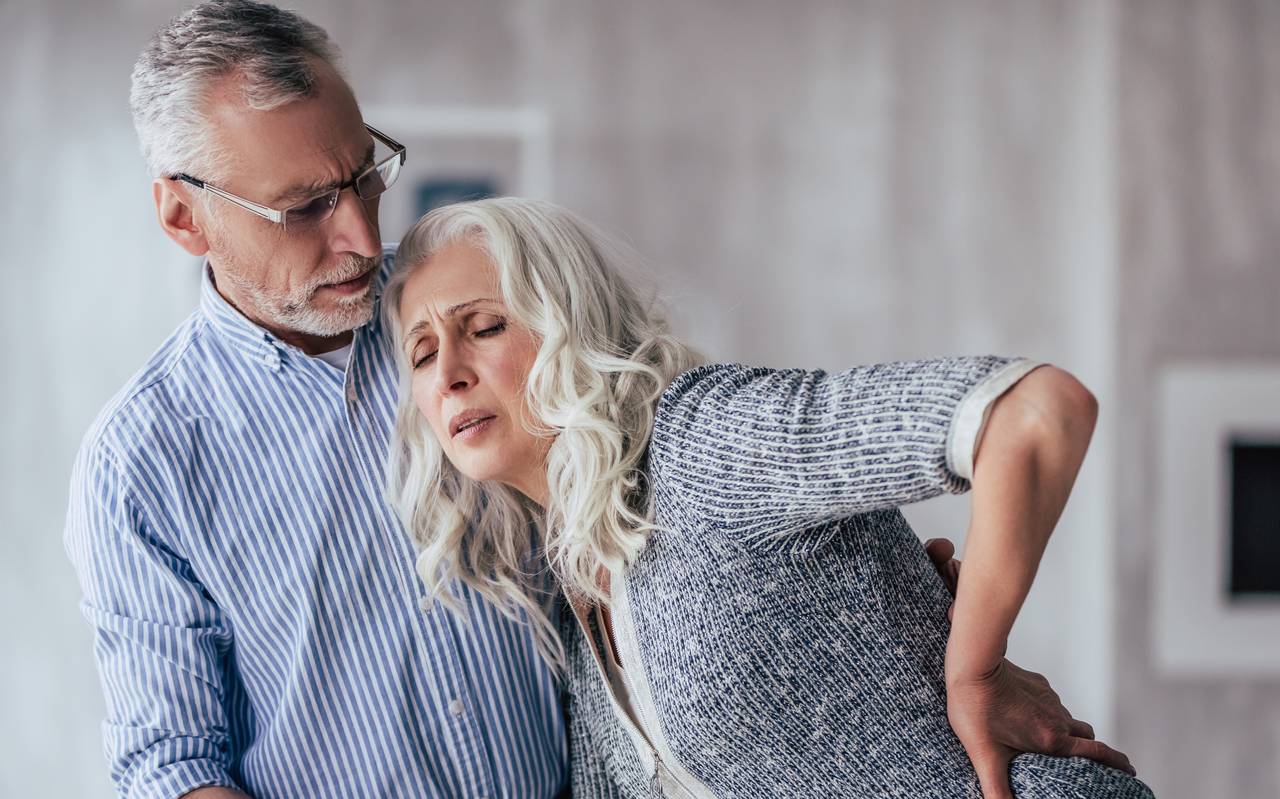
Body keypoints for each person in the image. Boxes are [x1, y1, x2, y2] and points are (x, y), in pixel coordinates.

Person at [383, 197, 1156, 799]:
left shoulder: (703, 441)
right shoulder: (574, 593)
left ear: (569, 324)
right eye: (422, 352)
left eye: (482, 326)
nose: (448, 370)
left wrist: (974, 671)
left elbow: (1036, 411)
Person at [63, 2, 568, 796]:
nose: (366, 238)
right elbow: (174, 765)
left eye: (366, 177)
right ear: (182, 215)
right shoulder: (142, 462)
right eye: (304, 209)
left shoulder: (475, 302)